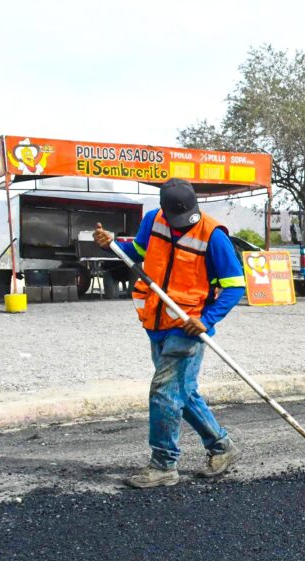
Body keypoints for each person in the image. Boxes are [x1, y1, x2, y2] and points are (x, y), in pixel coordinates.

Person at [94, 178, 246, 488]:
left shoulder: (214, 236)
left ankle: (163, 465)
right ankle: (222, 447)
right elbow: (137, 252)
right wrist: (111, 243)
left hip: (187, 326)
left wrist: (207, 319)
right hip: (156, 321)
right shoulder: (153, 221)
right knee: (182, 393)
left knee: (164, 393)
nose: (180, 224)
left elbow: (234, 286)